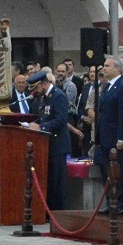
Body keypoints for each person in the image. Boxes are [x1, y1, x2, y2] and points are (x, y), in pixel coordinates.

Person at [89, 56, 123, 214]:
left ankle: (122, 203)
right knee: (107, 172)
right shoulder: (107, 86)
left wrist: (121, 137)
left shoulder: (122, 86)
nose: (103, 68)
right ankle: (110, 201)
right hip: (104, 137)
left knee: (120, 171)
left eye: (107, 66)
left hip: (115, 137)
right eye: (104, 66)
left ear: (117, 69)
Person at [26, 69, 70, 209]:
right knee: (49, 180)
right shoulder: (45, 97)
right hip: (47, 144)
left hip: (58, 144)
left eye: (36, 88)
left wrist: (41, 127)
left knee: (57, 182)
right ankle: (48, 209)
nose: (35, 92)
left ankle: (56, 211)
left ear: (43, 84)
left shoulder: (58, 96)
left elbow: (61, 120)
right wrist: (33, 124)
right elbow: (45, 117)